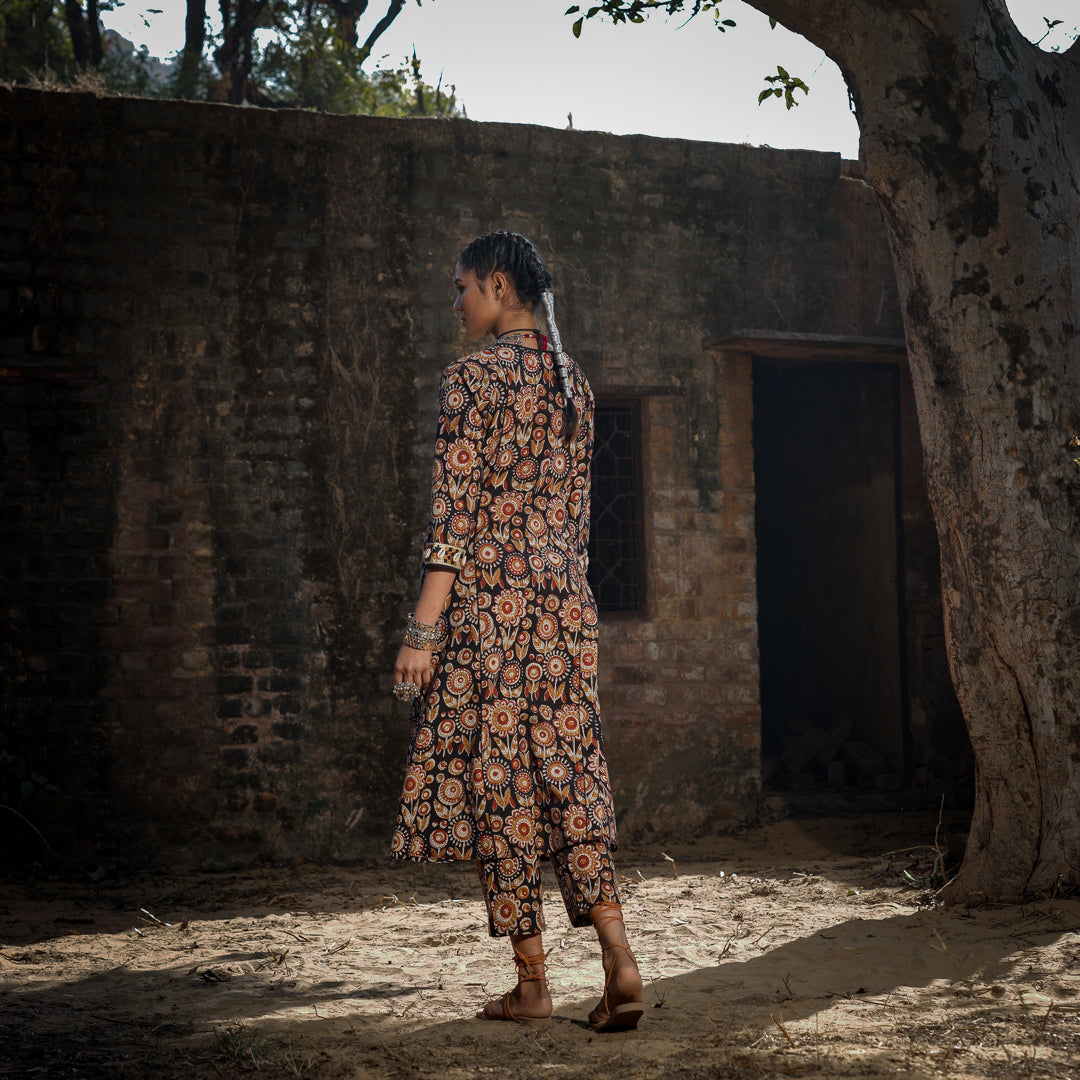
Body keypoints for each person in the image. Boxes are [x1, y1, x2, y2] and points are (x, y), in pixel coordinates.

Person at [390, 229, 644, 1030]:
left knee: (499, 782)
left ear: (500, 287)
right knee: (571, 770)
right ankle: (618, 950)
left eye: (461, 286)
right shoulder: (577, 385)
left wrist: (421, 632)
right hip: (566, 605)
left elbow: (454, 520)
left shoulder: (469, 381)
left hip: (491, 608)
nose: (455, 301)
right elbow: (572, 522)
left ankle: (533, 985)